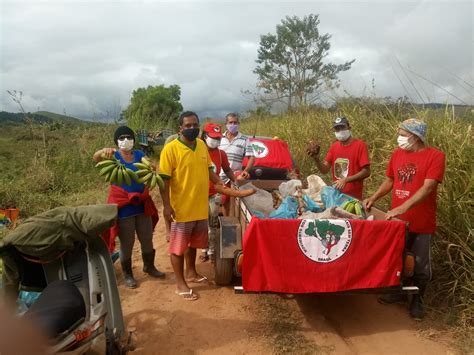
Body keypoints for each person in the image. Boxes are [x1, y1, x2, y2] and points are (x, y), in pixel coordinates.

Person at [363, 118, 445, 320]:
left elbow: (427, 187)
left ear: (415, 136)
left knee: (420, 264)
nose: (399, 138)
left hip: (421, 222)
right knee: (397, 258)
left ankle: (418, 301)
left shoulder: (435, 156)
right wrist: (374, 197)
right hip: (397, 221)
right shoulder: (398, 153)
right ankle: (398, 293)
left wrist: (402, 206)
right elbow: (390, 180)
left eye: (403, 133)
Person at [159, 111, 223, 301]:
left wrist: (221, 184)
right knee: (178, 248)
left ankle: (191, 273)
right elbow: (163, 180)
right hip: (181, 209)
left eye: (195, 124)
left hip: (199, 207)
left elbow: (209, 169)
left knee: (193, 244)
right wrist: (166, 206)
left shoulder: (202, 145)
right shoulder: (171, 149)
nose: (192, 128)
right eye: (188, 125)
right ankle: (180, 284)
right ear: (180, 128)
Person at [93, 126, 165, 289]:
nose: (126, 141)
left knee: (147, 238)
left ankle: (149, 266)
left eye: (129, 137)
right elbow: (95, 158)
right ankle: (128, 274)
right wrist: (102, 151)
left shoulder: (139, 155)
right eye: (122, 138)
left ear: (134, 139)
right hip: (124, 206)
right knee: (127, 242)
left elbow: (148, 165)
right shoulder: (113, 157)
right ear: (116, 141)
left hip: (141, 204)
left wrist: (151, 168)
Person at [307, 116, 370, 200]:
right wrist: (316, 158)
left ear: (349, 128)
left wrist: (346, 180)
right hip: (337, 194)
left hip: (353, 197)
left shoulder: (360, 145)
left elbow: (366, 172)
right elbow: (324, 170)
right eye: (337, 129)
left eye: (342, 127)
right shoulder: (334, 147)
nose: (340, 131)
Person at [200, 122, 236, 262]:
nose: (215, 141)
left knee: (213, 222)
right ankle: (203, 248)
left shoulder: (221, 154)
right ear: (204, 136)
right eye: (212, 137)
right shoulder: (198, 152)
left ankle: (212, 250)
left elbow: (227, 169)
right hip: (199, 193)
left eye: (218, 138)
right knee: (202, 223)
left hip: (215, 192)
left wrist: (235, 181)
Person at [219, 113, 255, 214]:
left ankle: (231, 219)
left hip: (234, 176)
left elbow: (251, 157)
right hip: (219, 176)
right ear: (226, 123)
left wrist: (246, 170)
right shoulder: (219, 138)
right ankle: (224, 219)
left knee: (234, 201)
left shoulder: (244, 139)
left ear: (238, 124)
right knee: (222, 201)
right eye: (230, 122)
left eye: (235, 122)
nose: (233, 125)